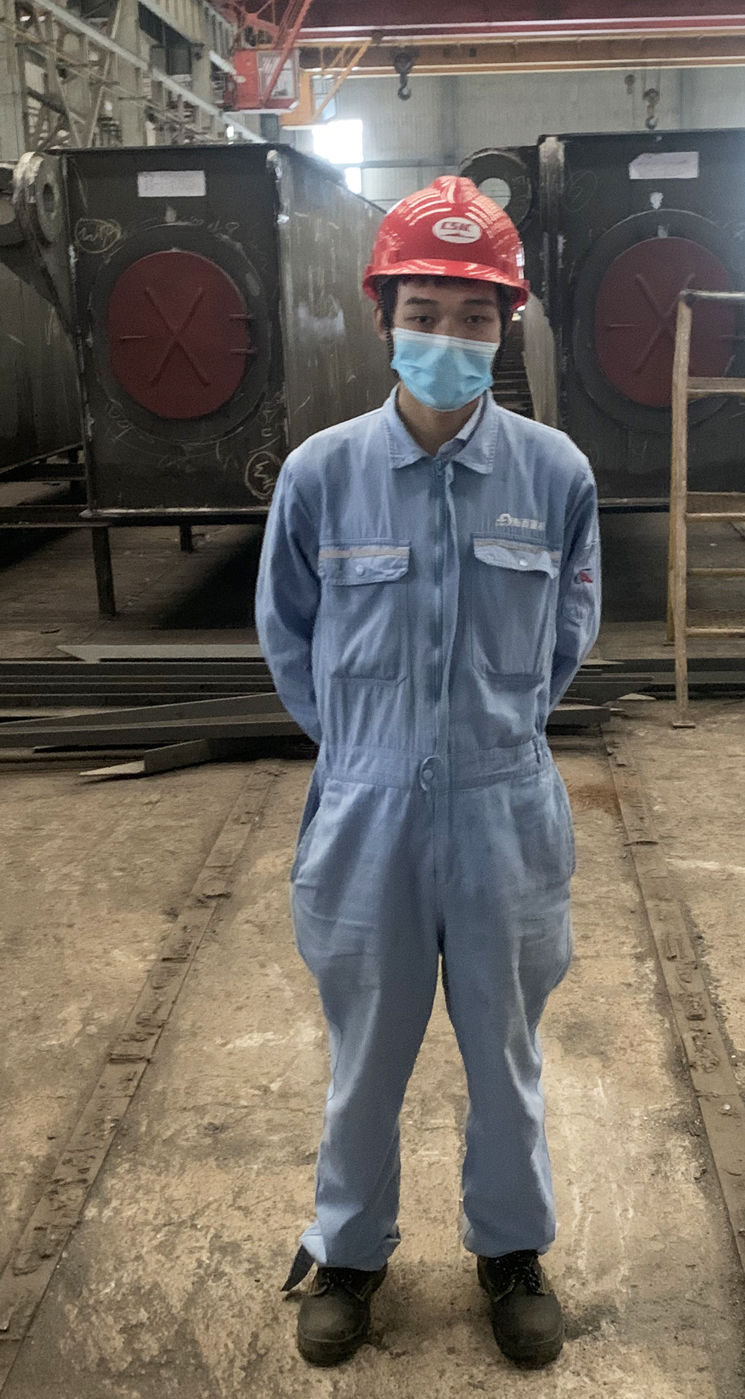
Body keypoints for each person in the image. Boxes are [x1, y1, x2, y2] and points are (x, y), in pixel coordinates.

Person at [256, 174, 601, 1369]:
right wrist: (369, 748)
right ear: (383, 317)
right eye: (423, 313)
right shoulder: (320, 476)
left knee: (504, 1050)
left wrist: (492, 736)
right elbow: (289, 636)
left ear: (506, 326)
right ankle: (349, 1250)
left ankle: (511, 1248)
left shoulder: (555, 474)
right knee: (365, 1051)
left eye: (473, 317)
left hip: (506, 806)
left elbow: (567, 636)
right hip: (367, 809)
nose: (447, 337)